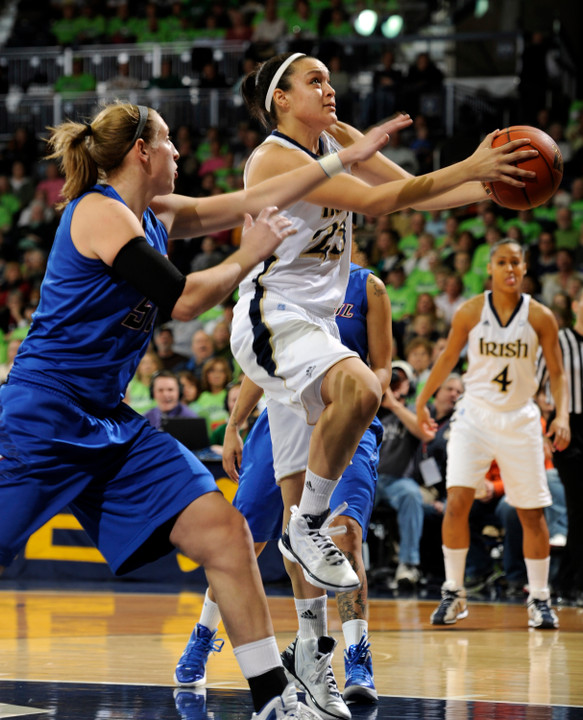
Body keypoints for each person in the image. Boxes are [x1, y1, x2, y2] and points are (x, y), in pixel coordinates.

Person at [0, 100, 403, 720]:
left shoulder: (154, 212)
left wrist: (341, 161)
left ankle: (273, 698)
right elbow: (183, 301)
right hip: (42, 419)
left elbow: (248, 200)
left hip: (108, 420)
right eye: (168, 143)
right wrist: (250, 253)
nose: (178, 153)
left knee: (226, 532)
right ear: (141, 152)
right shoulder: (99, 213)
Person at [231, 51, 540, 599]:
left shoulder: (337, 137)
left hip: (314, 329)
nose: (330, 89)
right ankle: (304, 531)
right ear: (281, 99)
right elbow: (376, 202)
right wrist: (470, 164)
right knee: (364, 387)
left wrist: (491, 186)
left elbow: (416, 195)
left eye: (330, 79)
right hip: (271, 314)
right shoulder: (272, 160)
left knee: (295, 489)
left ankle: (311, 655)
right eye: (315, 81)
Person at [175, 261, 392, 715]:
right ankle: (202, 637)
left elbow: (382, 367)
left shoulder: (367, 286)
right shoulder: (284, 277)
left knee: (343, 535)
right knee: (242, 540)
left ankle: (355, 658)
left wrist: (360, 408)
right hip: (279, 418)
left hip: (341, 417)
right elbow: (262, 359)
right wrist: (236, 422)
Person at [416, 238, 571, 630]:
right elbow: (448, 357)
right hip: (475, 417)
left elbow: (557, 372)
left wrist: (562, 414)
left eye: (515, 262)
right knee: (456, 503)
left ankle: (539, 598)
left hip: (520, 419)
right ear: (490, 268)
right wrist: (422, 399)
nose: (509, 269)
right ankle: (454, 591)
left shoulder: (540, 317)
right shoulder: (471, 311)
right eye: (502, 262)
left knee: (532, 514)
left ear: (524, 266)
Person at [536, 286, 583, 606]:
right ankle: (569, 583)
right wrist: (540, 432)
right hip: (569, 427)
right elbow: (532, 384)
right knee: (579, 507)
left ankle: (568, 581)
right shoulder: (561, 340)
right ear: (577, 305)